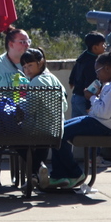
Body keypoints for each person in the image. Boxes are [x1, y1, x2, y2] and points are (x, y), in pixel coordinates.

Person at [41, 50, 111, 188]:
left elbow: (104, 113)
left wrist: (92, 97)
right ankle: (59, 174)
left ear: (108, 68)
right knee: (58, 129)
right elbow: (102, 109)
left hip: (103, 125)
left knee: (61, 133)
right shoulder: (110, 85)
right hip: (97, 120)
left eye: (98, 71)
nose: (97, 75)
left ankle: (74, 173)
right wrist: (96, 100)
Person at [0, 27, 32, 185]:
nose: (27, 45)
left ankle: (31, 173)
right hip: (1, 116)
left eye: (28, 41)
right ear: (10, 44)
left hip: (27, 115)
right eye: (22, 42)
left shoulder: (34, 62)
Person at [21, 47, 68, 175]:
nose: (27, 70)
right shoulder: (52, 78)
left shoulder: (35, 82)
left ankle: (36, 169)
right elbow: (65, 105)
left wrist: (20, 103)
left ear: (40, 63)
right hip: (56, 128)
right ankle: (37, 174)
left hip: (38, 130)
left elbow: (29, 110)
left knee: (13, 138)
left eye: (30, 65)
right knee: (41, 139)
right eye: (24, 67)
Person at [69, 32, 106, 117]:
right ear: (95, 47)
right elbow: (90, 83)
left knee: (75, 127)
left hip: (75, 98)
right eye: (103, 44)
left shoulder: (82, 57)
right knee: (91, 124)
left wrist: (71, 81)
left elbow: (75, 68)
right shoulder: (93, 63)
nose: (105, 46)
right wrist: (88, 105)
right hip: (84, 100)